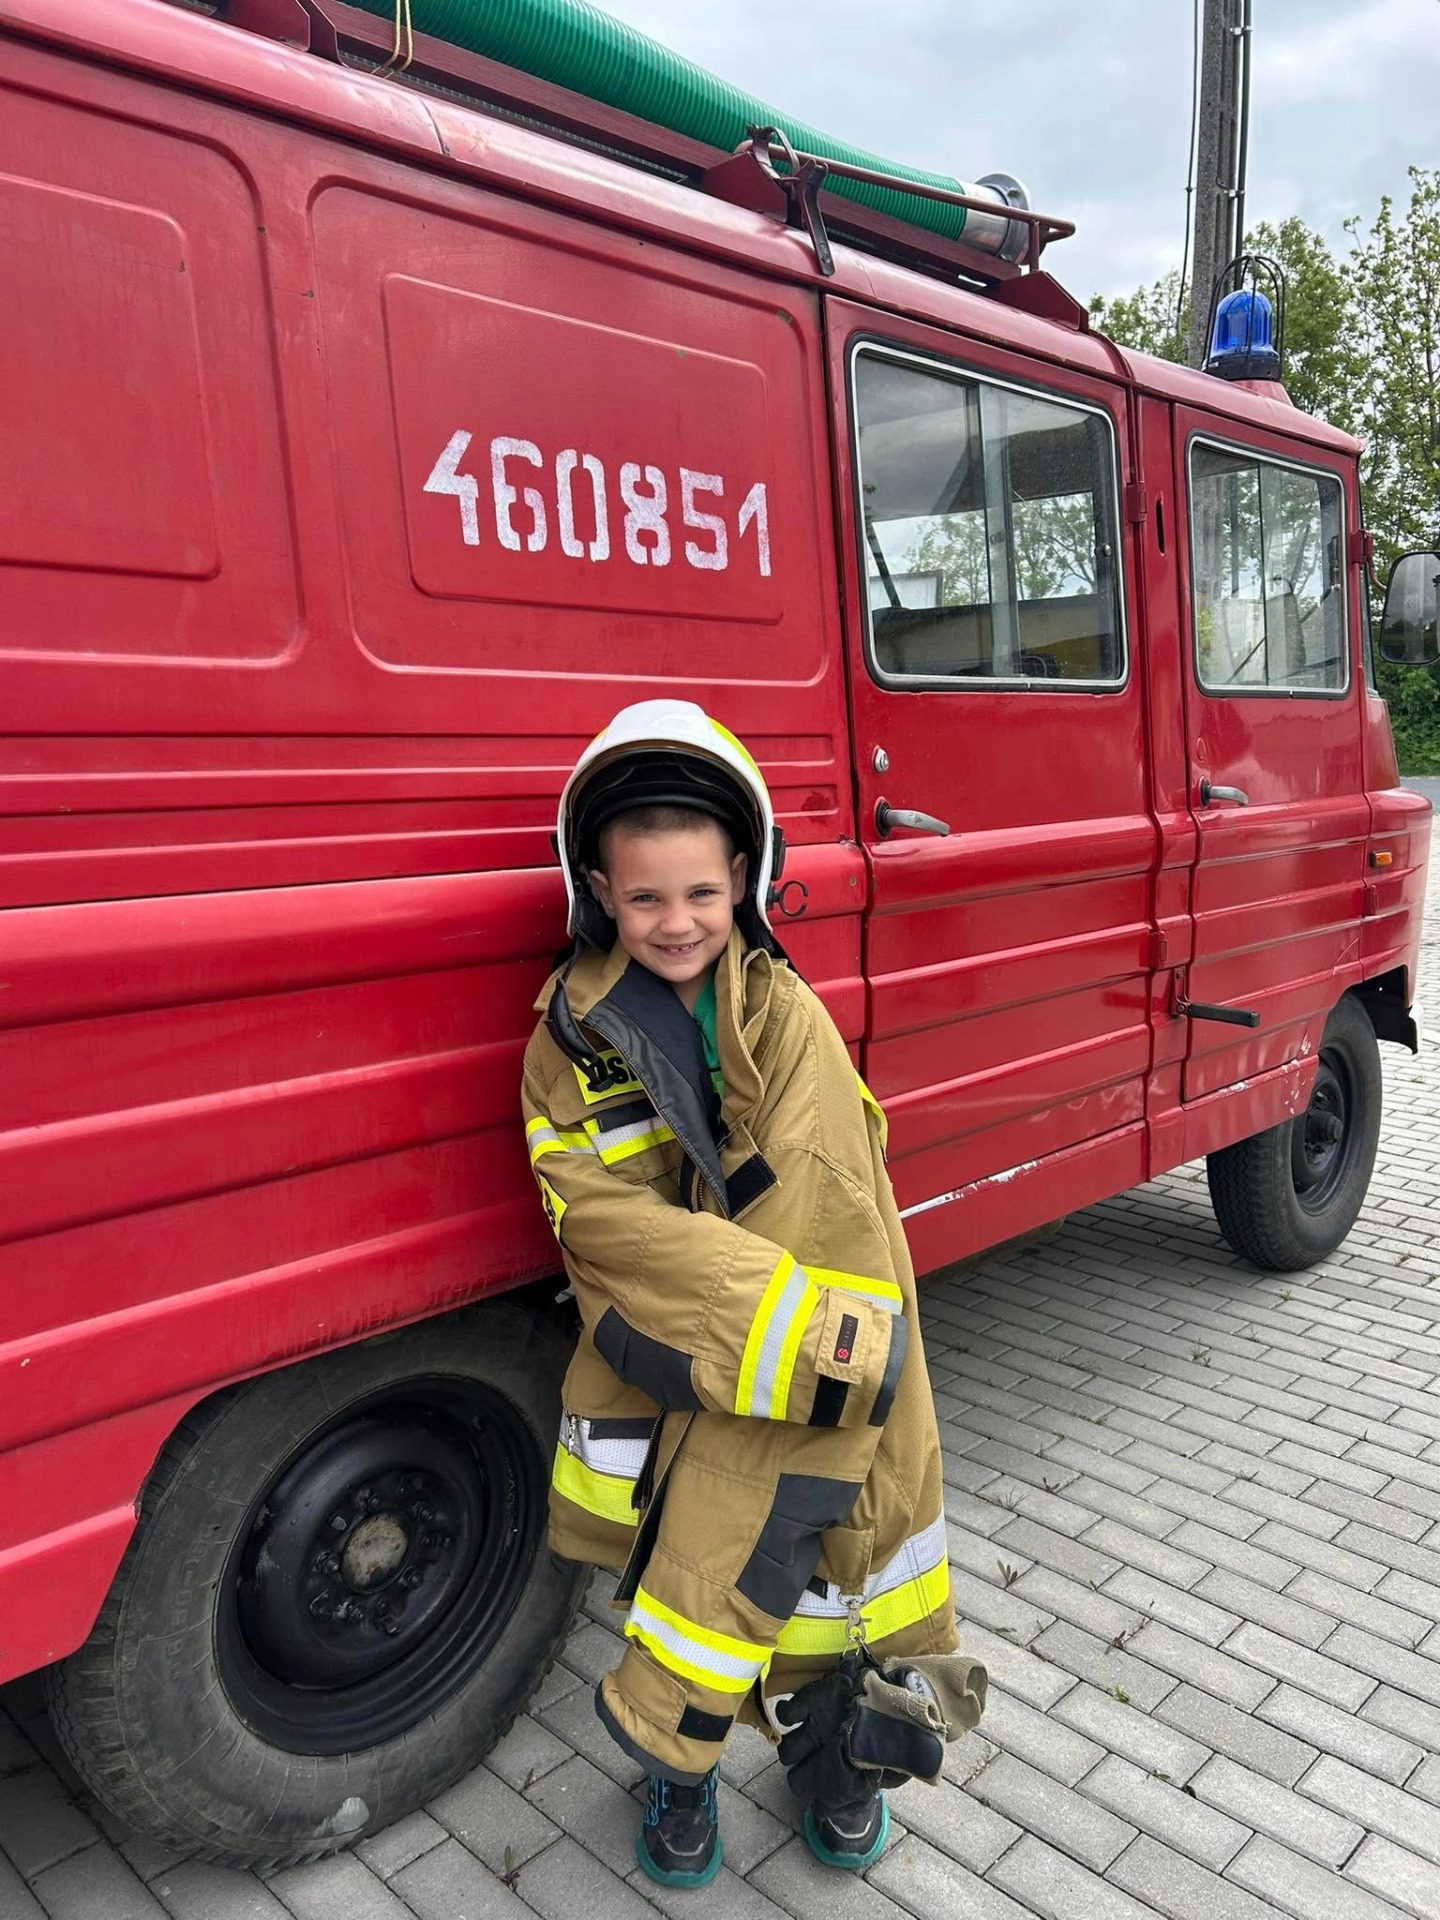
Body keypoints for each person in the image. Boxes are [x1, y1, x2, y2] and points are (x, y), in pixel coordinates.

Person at [521, 700, 985, 1888]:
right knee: (683, 1569)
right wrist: (785, 1329)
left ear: (743, 880)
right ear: (599, 893)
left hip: (812, 1347)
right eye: (644, 898)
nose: (675, 922)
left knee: (831, 1577)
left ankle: (834, 1752)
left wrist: (803, 1339)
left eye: (700, 893)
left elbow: (834, 1211)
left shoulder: (787, 1016)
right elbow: (600, 1223)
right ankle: (680, 1771)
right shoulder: (569, 1041)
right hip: (673, 1355)